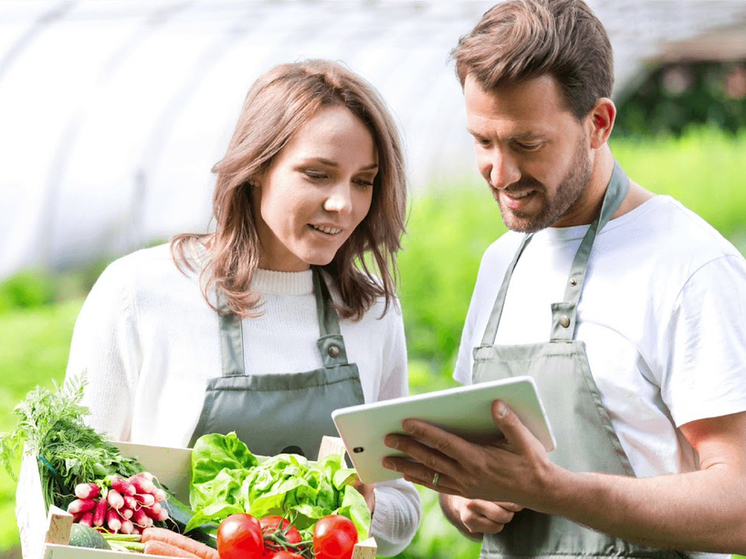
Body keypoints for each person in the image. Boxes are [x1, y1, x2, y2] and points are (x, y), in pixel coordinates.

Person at [380, 1, 746, 558]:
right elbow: (475, 464)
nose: (500, 175)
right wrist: (466, 501)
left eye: (527, 143)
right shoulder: (504, 261)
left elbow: (739, 504)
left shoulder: (689, 267)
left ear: (598, 123)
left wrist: (552, 491)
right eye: (482, 142)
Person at [64, 59, 419, 555]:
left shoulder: (372, 312)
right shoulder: (139, 294)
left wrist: (367, 504)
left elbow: (403, 507)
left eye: (364, 181)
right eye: (318, 174)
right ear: (256, 169)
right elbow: (66, 498)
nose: (344, 204)